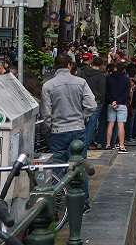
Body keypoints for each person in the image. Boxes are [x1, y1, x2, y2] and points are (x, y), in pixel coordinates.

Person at [41, 54, 96, 213]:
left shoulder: (48, 85)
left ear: (55, 66)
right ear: (70, 65)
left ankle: (57, 203)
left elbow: (46, 113)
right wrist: (82, 117)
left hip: (58, 131)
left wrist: (50, 127)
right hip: (77, 129)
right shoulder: (81, 83)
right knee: (79, 164)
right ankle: (83, 201)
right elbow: (91, 105)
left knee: (57, 167)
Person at [78, 57, 106, 150]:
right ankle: (85, 145)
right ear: (101, 65)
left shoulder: (83, 73)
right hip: (96, 101)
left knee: (82, 122)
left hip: (83, 99)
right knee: (92, 124)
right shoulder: (101, 76)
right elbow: (102, 91)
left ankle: (80, 143)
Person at [105, 62, 130, 153]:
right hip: (122, 104)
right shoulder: (126, 79)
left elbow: (107, 92)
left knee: (110, 124)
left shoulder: (109, 78)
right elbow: (126, 93)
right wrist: (118, 101)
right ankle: (121, 145)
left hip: (111, 104)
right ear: (123, 69)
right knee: (121, 125)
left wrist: (112, 101)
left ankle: (108, 144)